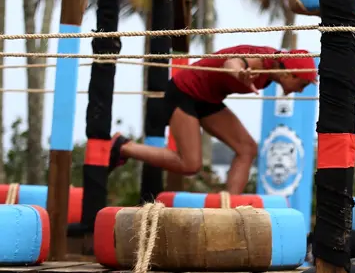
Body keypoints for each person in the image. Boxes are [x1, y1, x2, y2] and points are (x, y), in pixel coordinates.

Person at [107, 45, 317, 194]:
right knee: (190, 164)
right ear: (290, 74)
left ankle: (228, 208)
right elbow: (231, 62)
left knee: (247, 149)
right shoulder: (260, 62)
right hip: (184, 93)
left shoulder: (275, 64)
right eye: (302, 85)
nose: (301, 90)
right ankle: (123, 146)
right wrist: (239, 73)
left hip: (208, 99)